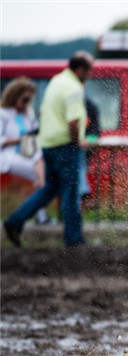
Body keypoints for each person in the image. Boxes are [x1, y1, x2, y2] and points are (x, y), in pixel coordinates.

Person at [4, 51, 93, 248]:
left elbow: (43, 112)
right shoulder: (73, 87)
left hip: (48, 146)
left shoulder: (56, 81)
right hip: (66, 147)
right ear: (80, 69)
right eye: (89, 69)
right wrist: (78, 140)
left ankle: (15, 220)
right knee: (71, 193)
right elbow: (72, 121)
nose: (90, 73)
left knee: (49, 190)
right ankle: (74, 239)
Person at [0, 77, 50, 227]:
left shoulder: (28, 113)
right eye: (25, 99)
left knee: (42, 169)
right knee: (41, 174)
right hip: (8, 155)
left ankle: (38, 214)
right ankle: (40, 214)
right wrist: (19, 139)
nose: (27, 103)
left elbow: (34, 133)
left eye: (29, 100)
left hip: (27, 153)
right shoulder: (3, 113)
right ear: (16, 95)